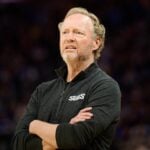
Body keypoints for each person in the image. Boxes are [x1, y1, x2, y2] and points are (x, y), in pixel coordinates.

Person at [12, 7, 121, 150]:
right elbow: (18, 142)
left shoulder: (105, 87)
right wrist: (63, 132)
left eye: (78, 32)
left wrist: (34, 125)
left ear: (96, 43)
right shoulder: (43, 90)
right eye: (65, 32)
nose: (69, 37)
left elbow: (75, 138)